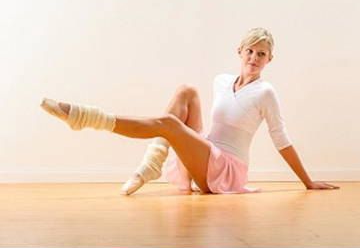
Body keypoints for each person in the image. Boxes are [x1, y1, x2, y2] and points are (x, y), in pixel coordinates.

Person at [40, 27, 339, 195]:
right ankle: (152, 163)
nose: (254, 58)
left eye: (261, 54)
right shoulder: (221, 81)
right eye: (250, 51)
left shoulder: (266, 92)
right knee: (186, 89)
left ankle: (84, 117)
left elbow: (281, 138)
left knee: (169, 123)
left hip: (227, 170)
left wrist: (308, 181)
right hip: (206, 153)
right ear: (240, 52)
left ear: (269, 60)